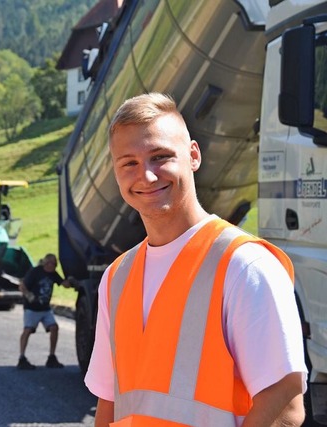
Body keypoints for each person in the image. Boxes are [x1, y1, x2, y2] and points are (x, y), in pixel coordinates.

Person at [85, 93, 306, 426]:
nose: (146, 175)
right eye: (128, 163)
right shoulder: (117, 277)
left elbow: (285, 408)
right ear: (116, 174)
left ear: (193, 156)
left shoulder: (245, 265)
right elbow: (110, 402)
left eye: (160, 156)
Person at [17, 253, 72, 370]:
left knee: (54, 328)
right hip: (32, 308)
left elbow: (63, 284)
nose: (55, 266)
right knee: (27, 330)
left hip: (45, 308)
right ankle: (22, 357)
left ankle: (51, 357)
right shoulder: (35, 272)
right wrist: (28, 295)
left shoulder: (53, 274)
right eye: (53, 263)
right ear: (47, 263)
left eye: (56, 264)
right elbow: (22, 285)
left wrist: (72, 281)